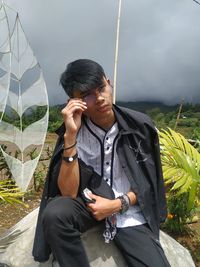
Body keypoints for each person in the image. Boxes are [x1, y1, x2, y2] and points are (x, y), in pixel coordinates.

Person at [32, 59, 170, 267]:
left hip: (128, 212)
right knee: (55, 213)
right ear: (74, 101)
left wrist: (116, 204)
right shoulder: (72, 131)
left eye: (101, 88)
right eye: (87, 95)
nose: (99, 99)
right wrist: (70, 136)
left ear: (108, 82)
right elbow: (68, 194)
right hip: (87, 208)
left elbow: (149, 183)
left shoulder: (140, 127)